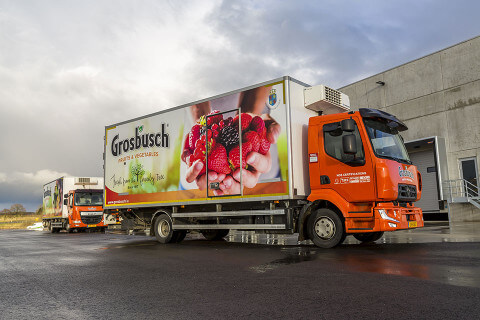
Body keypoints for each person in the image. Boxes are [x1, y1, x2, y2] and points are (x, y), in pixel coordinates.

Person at [180, 86, 281, 195]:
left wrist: (248, 117)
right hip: (197, 184)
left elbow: (264, 73)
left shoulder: (249, 138)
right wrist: (203, 127)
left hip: (266, 179)